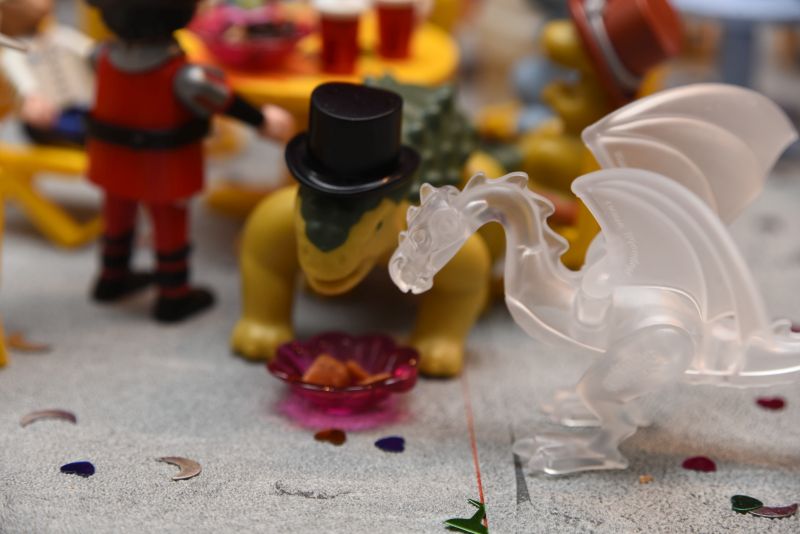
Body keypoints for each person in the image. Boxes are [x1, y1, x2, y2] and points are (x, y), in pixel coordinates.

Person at [86, 0, 295, 322]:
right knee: (169, 223)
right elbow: (221, 98)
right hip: (164, 165)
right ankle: (173, 295)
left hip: (112, 157)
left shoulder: (100, 56)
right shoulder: (185, 75)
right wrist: (261, 119)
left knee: (117, 215)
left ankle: (111, 278)